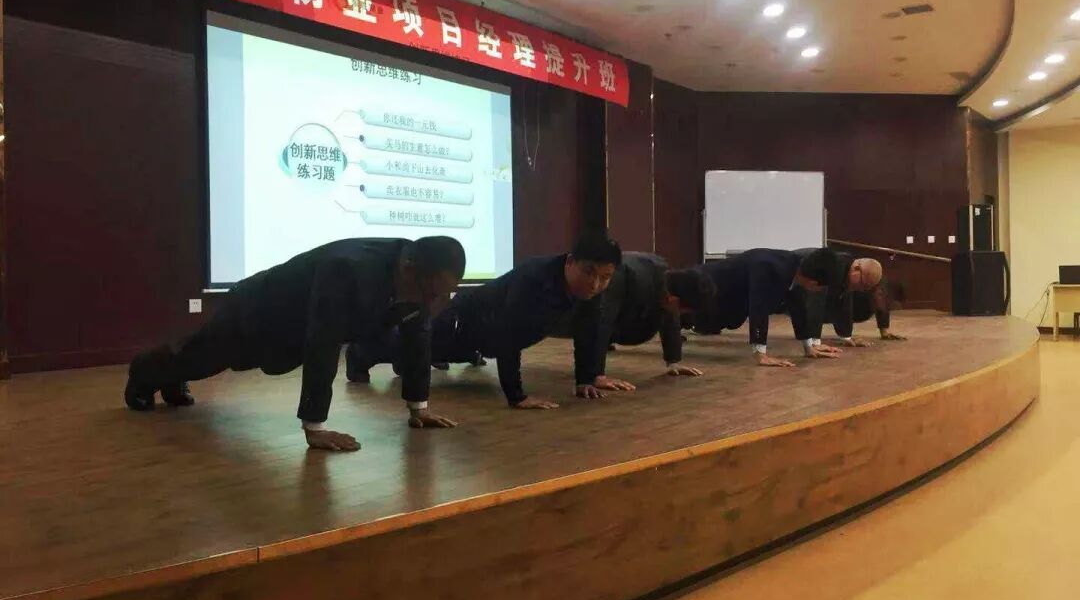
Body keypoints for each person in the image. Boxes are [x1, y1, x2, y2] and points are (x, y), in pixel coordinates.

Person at [124, 236, 466, 452]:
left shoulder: (419, 284)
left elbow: (417, 339)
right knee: (203, 358)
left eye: (445, 295)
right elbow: (324, 342)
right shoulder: (349, 269)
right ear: (408, 268)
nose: (435, 303)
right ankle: (143, 373)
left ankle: (172, 380)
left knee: (199, 359)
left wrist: (419, 407)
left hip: (290, 326)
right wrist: (314, 426)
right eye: (432, 292)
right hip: (257, 310)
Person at [346, 232, 622, 408]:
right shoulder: (534, 279)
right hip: (463, 322)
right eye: (589, 273)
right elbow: (509, 335)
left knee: (426, 353)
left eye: (605, 277)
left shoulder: (591, 291)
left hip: (485, 338)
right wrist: (517, 397)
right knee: (416, 346)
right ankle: (360, 354)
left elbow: (589, 331)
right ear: (570, 261)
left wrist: (586, 379)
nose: (596, 284)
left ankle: (403, 362)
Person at [690, 247, 881, 368]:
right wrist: (761, 354)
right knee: (684, 318)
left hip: (726, 306)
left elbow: (798, 309)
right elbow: (758, 307)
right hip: (702, 288)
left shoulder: (795, 271)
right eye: (821, 288)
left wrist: (809, 347)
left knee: (709, 323)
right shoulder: (771, 268)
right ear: (814, 283)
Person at [555, 252, 717, 390]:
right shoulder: (622, 278)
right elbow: (597, 322)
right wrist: (595, 376)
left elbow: (670, 318)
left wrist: (673, 361)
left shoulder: (668, 283)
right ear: (673, 299)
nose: (680, 315)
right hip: (566, 303)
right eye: (682, 310)